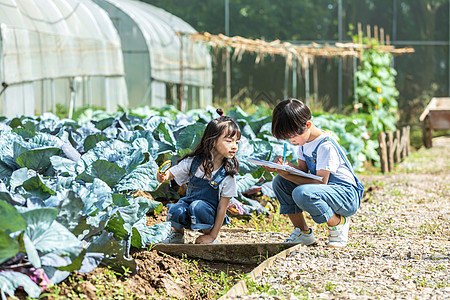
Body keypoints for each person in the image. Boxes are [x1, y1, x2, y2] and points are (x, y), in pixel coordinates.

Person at [264, 98, 364, 247]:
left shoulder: (325, 145)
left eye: (292, 137)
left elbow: (320, 181)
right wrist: (286, 167)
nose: (291, 141)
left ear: (308, 125)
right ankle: (303, 232)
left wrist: (286, 173)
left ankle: (338, 223)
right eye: (287, 138)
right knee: (280, 182)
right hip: (327, 190)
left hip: (346, 195)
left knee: (302, 193)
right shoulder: (304, 143)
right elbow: (303, 171)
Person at [157, 108, 240, 244]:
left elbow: (222, 208)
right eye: (229, 141)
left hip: (208, 214)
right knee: (177, 208)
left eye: (237, 142)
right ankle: (177, 234)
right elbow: (171, 173)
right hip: (190, 209)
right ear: (212, 141)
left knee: (198, 206)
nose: (234, 146)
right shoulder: (193, 162)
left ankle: (208, 237)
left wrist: (213, 235)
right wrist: (162, 176)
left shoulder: (227, 176)